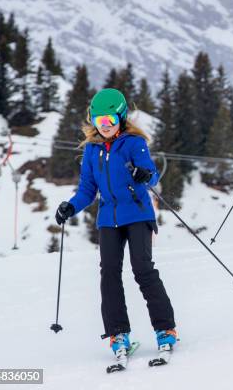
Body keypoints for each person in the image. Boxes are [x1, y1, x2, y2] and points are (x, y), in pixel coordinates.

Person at [54, 88, 177, 359]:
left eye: (110, 120)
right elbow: (87, 189)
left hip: (137, 214)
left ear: (120, 117)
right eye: (99, 121)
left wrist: (143, 173)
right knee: (109, 273)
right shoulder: (91, 151)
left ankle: (165, 329)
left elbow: (152, 176)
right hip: (109, 218)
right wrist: (70, 206)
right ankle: (118, 333)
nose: (105, 126)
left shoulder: (134, 143)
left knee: (142, 270)